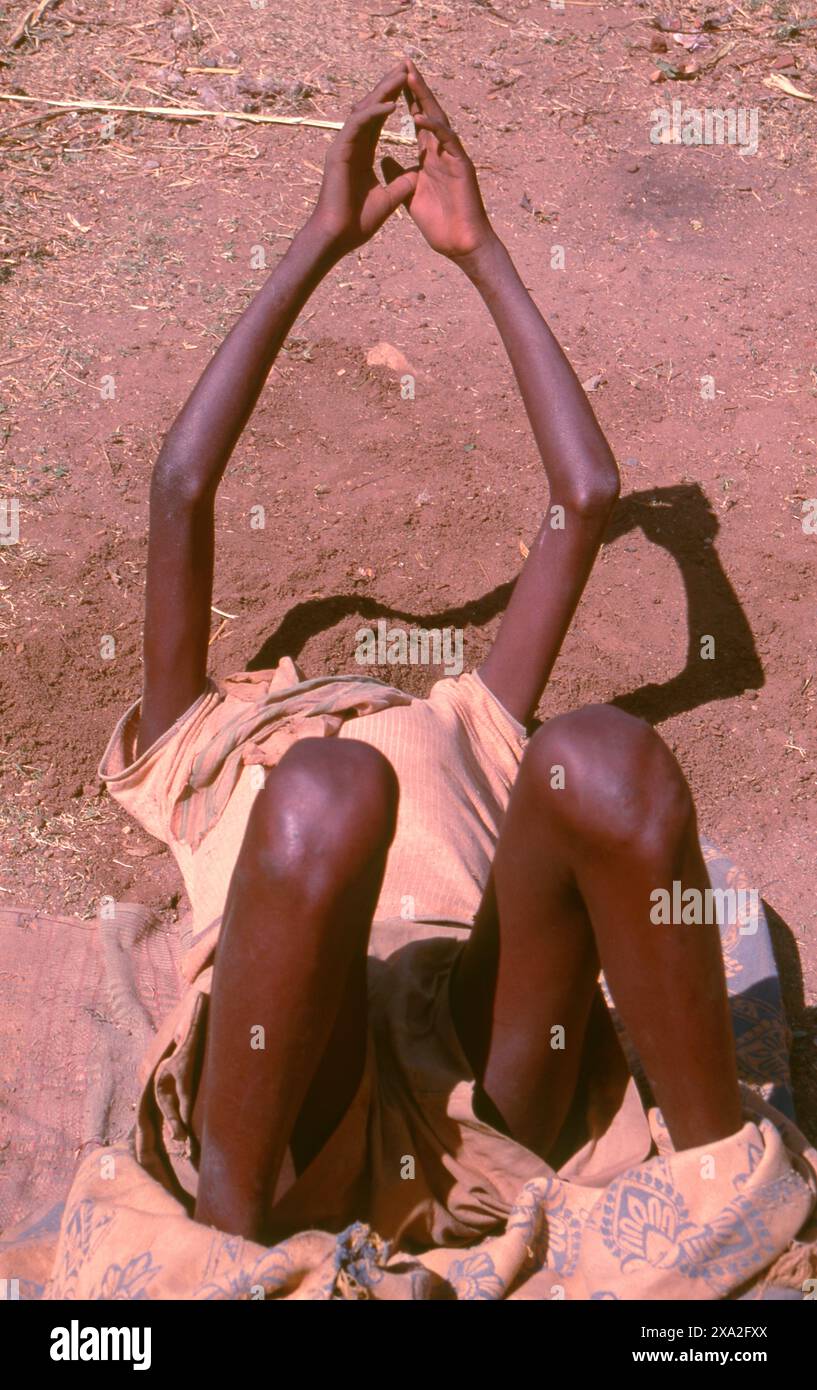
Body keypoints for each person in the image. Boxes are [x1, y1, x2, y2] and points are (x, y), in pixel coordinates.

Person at [107, 60, 745, 1249]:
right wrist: (319, 236)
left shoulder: (464, 720)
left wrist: (481, 250)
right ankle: (224, 1258)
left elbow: (586, 492)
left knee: (602, 753)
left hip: (484, 1081)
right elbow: (180, 487)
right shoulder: (201, 740)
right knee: (333, 791)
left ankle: (738, 1205)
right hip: (296, 1093)